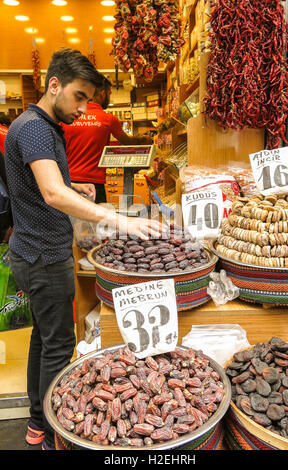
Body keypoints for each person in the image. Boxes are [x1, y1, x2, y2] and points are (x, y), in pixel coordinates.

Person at [4, 48, 165, 450]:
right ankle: (55, 437)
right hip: (43, 255)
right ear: (54, 85)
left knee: (44, 338)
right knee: (58, 347)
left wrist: (74, 186)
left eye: (88, 100)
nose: (83, 109)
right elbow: (51, 193)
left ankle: (37, 423)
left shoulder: (36, 124)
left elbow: (43, 184)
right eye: (79, 97)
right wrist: (119, 219)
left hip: (33, 249)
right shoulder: (36, 128)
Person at [62, 76, 153, 203]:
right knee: (96, 221)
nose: (109, 97)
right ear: (102, 93)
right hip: (95, 185)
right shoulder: (108, 119)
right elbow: (128, 142)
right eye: (109, 93)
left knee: (70, 222)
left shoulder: (68, 117)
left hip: (69, 183)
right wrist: (145, 140)